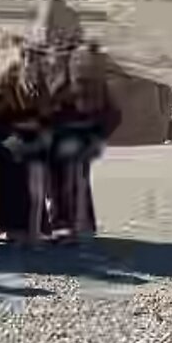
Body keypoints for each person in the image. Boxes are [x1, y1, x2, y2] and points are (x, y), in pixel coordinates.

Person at [48, 42, 120, 244]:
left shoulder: (93, 86)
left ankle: (71, 226)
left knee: (71, 181)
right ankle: (71, 225)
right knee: (67, 181)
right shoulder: (67, 82)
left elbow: (111, 115)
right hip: (68, 139)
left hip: (77, 139)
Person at [0, 47, 54, 245]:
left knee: (35, 187)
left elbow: (48, 117)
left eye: (35, 62)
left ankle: (35, 228)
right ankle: (7, 228)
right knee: (6, 185)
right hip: (9, 143)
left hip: (33, 144)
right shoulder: (7, 86)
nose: (32, 66)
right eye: (29, 61)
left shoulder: (41, 88)